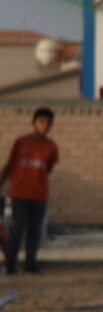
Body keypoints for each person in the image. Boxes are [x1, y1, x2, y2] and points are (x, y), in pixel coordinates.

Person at [3, 108, 59, 276]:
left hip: (39, 195)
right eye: (41, 121)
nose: (44, 125)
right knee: (17, 228)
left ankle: (30, 263)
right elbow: (10, 164)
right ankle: (10, 264)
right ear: (34, 122)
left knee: (35, 230)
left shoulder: (51, 146)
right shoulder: (21, 143)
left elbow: (48, 168)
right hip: (20, 194)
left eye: (48, 123)